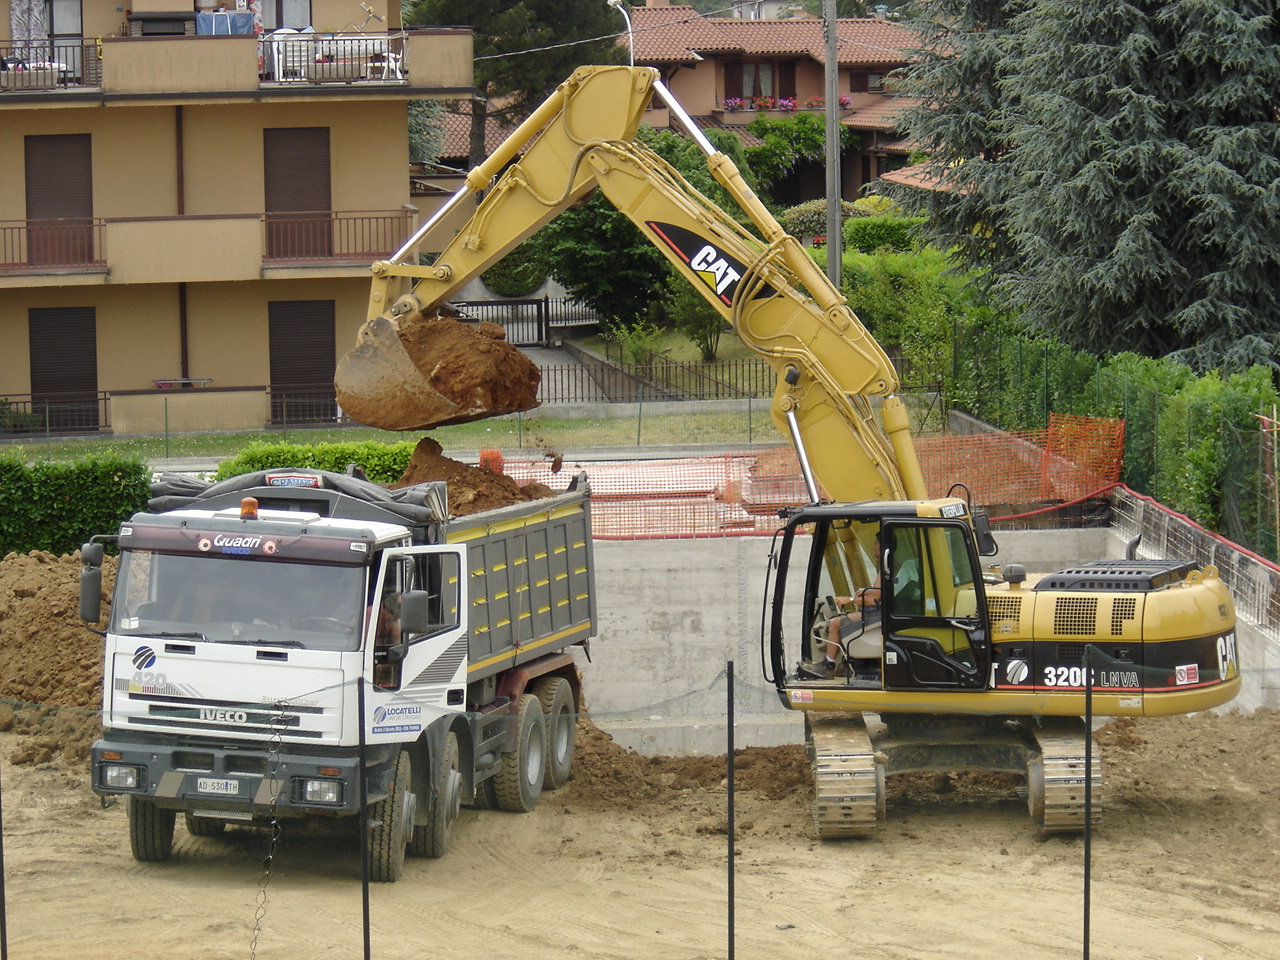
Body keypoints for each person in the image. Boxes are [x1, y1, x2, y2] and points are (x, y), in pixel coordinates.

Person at [798, 576, 882, 680]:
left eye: (877, 557)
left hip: (881, 616)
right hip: (882, 614)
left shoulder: (886, 567)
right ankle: (845, 664)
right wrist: (866, 593)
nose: (876, 558)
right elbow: (881, 593)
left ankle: (828, 665)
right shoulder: (892, 567)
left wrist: (849, 600)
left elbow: (873, 600)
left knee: (835, 623)